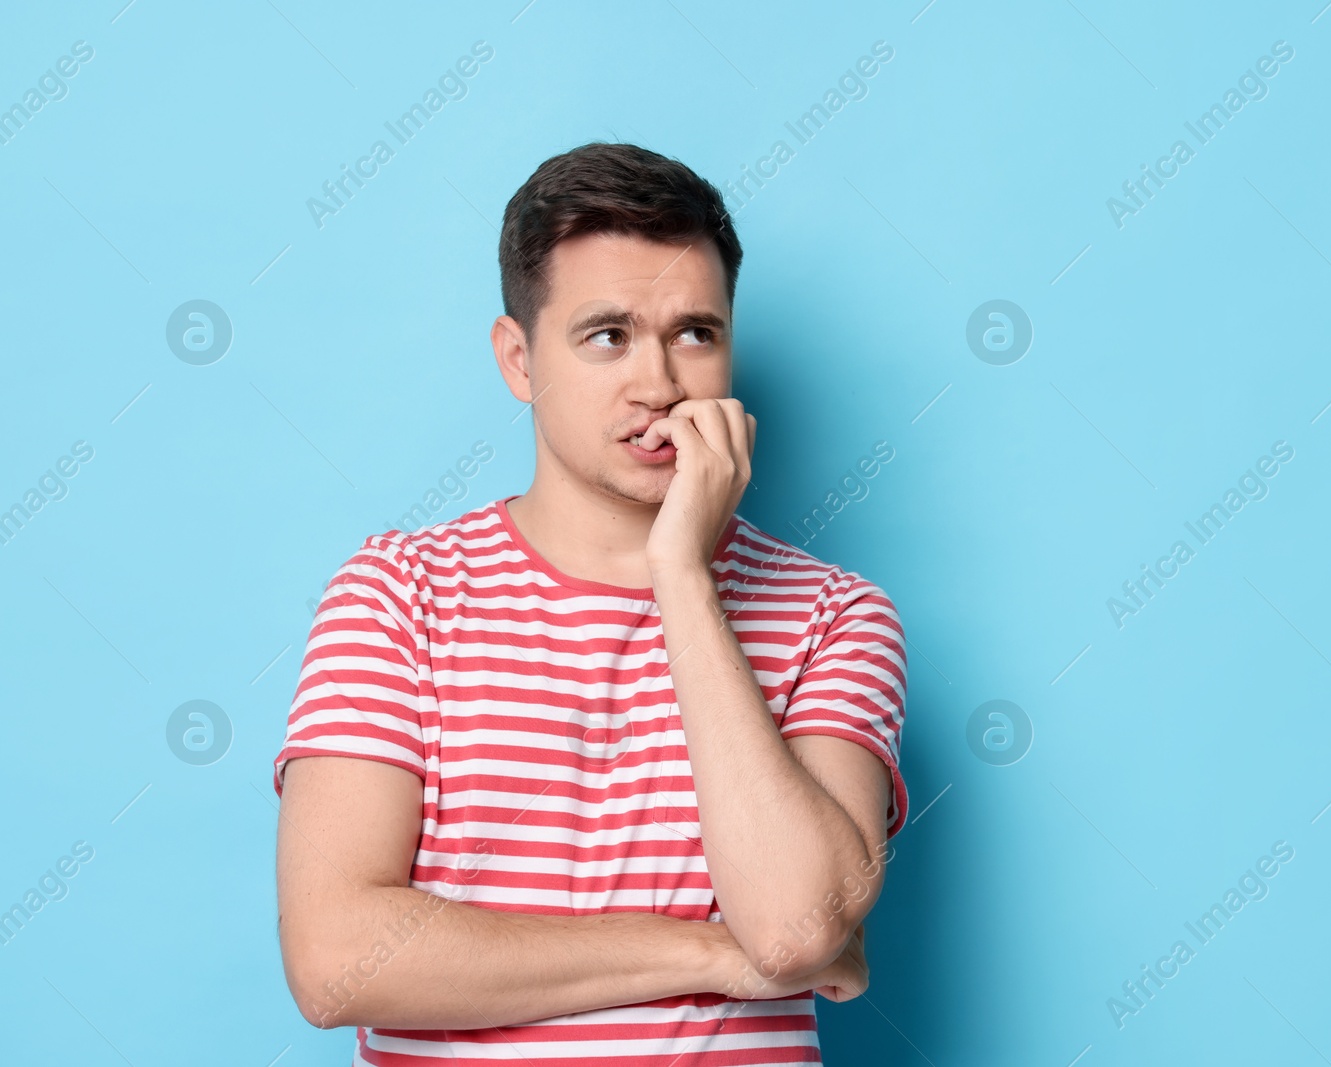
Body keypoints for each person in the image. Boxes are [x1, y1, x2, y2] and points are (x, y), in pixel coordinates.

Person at [271, 141, 909, 1065]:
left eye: (696, 332)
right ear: (519, 360)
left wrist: (684, 578)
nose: (658, 383)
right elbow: (336, 961)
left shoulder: (834, 614)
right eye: (607, 335)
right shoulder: (397, 597)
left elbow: (790, 932)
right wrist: (706, 953)